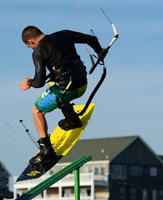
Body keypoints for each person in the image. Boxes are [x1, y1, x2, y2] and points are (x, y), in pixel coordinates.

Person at [19, 26, 105, 166]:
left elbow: (39, 82)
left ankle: (46, 151)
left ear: (30, 41)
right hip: (82, 84)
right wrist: (99, 51)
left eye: (29, 46)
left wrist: (28, 83)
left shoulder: (39, 52)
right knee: (52, 82)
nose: (32, 49)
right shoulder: (64, 34)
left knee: (36, 111)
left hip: (68, 90)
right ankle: (71, 118)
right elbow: (90, 39)